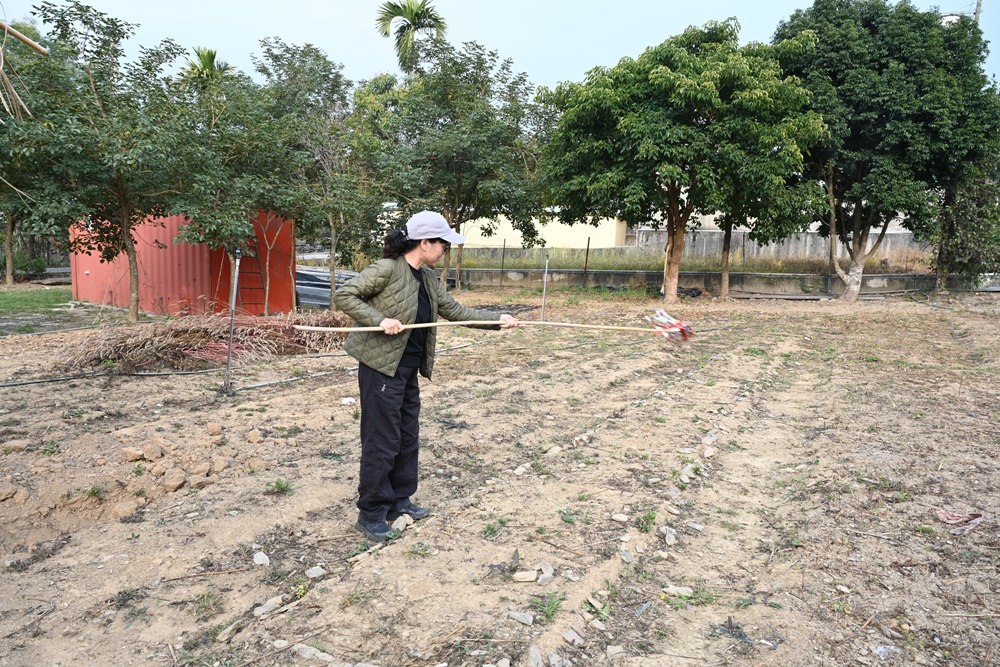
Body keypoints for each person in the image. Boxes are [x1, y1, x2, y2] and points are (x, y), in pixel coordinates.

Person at [334, 211, 521, 542]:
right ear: (425, 243)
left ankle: (399, 500)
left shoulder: (429, 278)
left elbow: (456, 311)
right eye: (443, 244)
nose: (445, 250)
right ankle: (371, 512)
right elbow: (345, 294)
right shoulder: (388, 269)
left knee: (407, 434)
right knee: (382, 438)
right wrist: (379, 320)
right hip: (382, 367)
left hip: (408, 368)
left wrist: (497, 320)